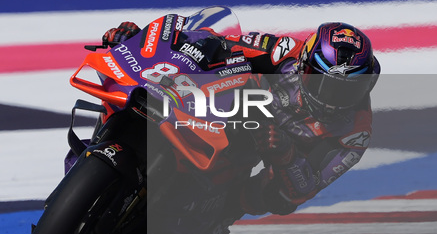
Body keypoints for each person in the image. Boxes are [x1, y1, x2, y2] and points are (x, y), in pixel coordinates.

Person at [103, 19, 381, 216]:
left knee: (276, 199)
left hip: (271, 152)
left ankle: (212, 219)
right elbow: (216, 41)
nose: (331, 99)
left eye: (348, 90)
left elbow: (306, 189)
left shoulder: (355, 132)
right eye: (322, 83)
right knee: (149, 88)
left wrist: (285, 153)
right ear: (303, 64)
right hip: (230, 107)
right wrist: (140, 41)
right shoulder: (283, 51)